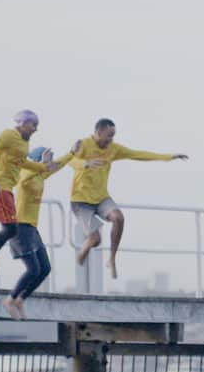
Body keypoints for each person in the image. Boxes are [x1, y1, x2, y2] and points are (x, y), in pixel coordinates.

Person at [71, 118, 188, 280]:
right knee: (95, 239)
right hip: (81, 201)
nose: (111, 140)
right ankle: (84, 250)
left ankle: (112, 259)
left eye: (113, 136)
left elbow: (138, 154)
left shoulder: (113, 149)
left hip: (101, 198)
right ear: (98, 132)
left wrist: (168, 157)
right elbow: (71, 160)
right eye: (108, 136)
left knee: (118, 218)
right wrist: (86, 164)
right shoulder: (83, 144)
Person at [5, 139, 98, 319]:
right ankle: (10, 299)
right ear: (38, 160)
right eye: (46, 161)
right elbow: (24, 177)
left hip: (32, 228)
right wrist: (41, 163)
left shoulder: (40, 175)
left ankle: (20, 299)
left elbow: (58, 165)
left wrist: (71, 153)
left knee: (45, 268)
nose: (49, 165)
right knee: (33, 270)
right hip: (20, 227)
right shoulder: (26, 174)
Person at [0, 110, 56, 256]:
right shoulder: (8, 135)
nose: (36, 129)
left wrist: (43, 167)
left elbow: (22, 162)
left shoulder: (24, 143)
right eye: (33, 125)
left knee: (11, 228)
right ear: (23, 123)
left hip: (8, 189)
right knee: (11, 228)